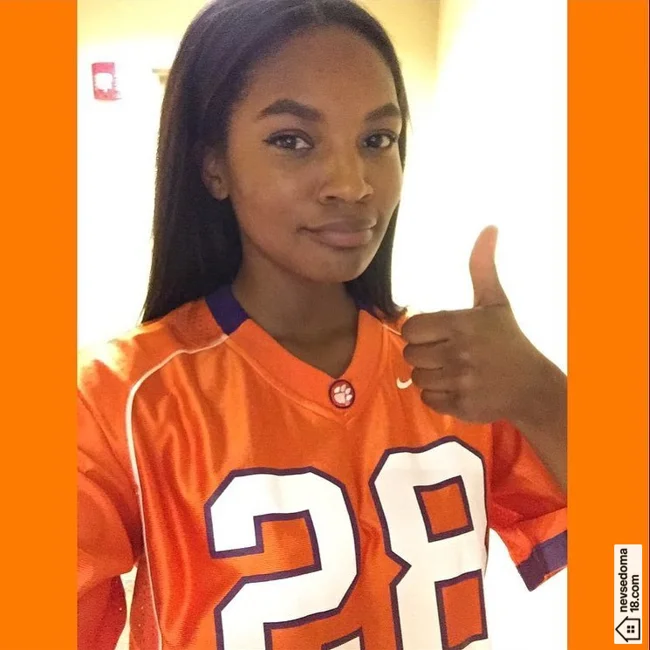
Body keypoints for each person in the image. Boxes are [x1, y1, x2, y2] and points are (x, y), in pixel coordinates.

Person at [77, 0, 567, 648]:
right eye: (292, 140)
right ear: (213, 165)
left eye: (377, 140)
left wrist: (547, 395)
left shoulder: (462, 369)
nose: (352, 184)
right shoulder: (118, 399)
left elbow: (630, 581)